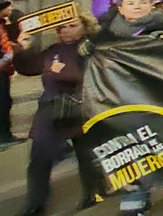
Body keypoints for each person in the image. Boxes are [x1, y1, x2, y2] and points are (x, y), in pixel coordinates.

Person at [89, 0, 163, 214]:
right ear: (121, 8)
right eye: (131, 3)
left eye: (142, 2)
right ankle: (136, 192)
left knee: (155, 145)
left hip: (157, 99)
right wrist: (85, 51)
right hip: (119, 100)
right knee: (128, 147)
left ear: (152, 6)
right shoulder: (105, 35)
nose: (137, 7)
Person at [13, 12, 105, 216]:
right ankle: (36, 204)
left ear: (85, 26)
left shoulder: (92, 48)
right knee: (39, 158)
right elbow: (28, 68)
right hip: (51, 109)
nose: (66, 31)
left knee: (87, 155)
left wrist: (66, 72)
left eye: (72, 25)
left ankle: (93, 193)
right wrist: (24, 49)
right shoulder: (53, 50)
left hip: (82, 109)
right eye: (62, 27)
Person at [0, 0, 22, 150]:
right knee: (3, 103)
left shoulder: (3, 25)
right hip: (1, 70)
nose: (10, 9)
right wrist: (16, 50)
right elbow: (5, 51)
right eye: (8, 7)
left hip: (4, 71)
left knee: (5, 102)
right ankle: (3, 136)